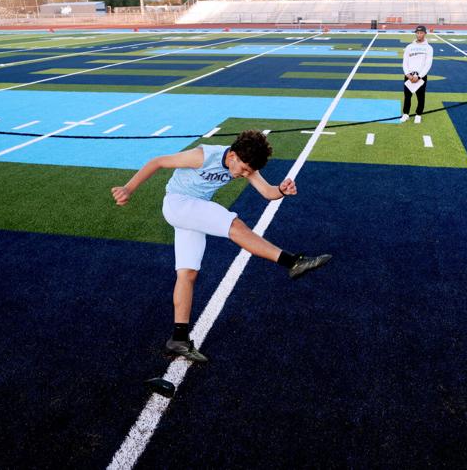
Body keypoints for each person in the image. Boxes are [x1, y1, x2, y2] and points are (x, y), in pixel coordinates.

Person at [111, 131, 332, 362]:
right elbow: (158, 161)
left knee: (188, 273)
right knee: (234, 225)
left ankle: (178, 339)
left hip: (194, 211)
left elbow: (267, 191)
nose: (244, 175)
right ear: (233, 155)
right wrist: (128, 188)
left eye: (249, 172)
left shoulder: (245, 163)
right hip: (179, 203)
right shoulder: (203, 156)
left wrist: (281, 190)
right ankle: (292, 262)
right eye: (244, 169)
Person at [401, 25, 433, 125]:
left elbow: (428, 64)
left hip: (421, 77)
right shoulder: (409, 47)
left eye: (421, 33)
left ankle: (418, 114)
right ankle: (405, 114)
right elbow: (405, 62)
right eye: (417, 33)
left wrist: (419, 76)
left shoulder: (428, 48)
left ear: (425, 33)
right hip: (409, 76)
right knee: (407, 96)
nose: (419, 35)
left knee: (420, 97)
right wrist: (408, 75)